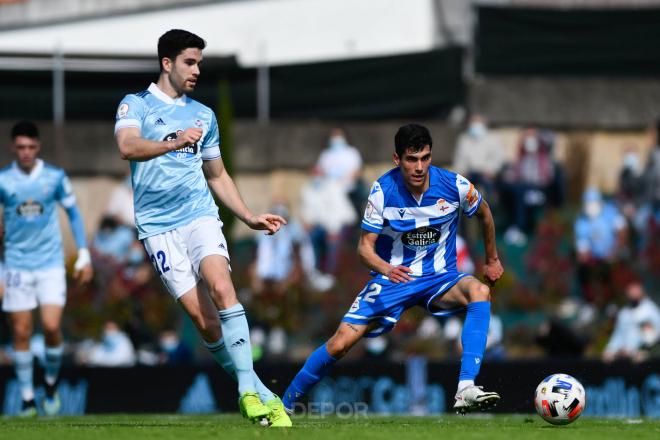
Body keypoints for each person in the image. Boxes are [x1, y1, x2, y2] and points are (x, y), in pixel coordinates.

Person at [113, 29, 290, 427]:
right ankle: (264, 394)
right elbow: (128, 147)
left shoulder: (204, 115)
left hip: (199, 216)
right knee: (205, 322)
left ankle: (246, 391)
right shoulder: (135, 105)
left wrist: (248, 216)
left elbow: (217, 175)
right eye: (189, 63)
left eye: (199, 64)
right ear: (167, 63)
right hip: (157, 229)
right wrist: (173, 143)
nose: (196, 71)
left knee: (222, 287)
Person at [282, 124, 504, 415]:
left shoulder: (455, 186)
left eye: (425, 158)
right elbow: (364, 249)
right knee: (340, 344)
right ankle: (283, 405)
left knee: (479, 290)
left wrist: (492, 259)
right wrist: (386, 269)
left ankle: (465, 388)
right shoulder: (382, 191)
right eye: (412, 159)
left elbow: (485, 214)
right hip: (393, 280)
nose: (420, 167)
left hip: (440, 278)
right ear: (397, 159)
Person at [0, 120, 93, 416]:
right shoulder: (3, 180)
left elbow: (74, 214)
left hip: (50, 263)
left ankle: (51, 384)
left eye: (31, 147)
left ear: (38, 147)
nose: (26, 152)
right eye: (21, 147)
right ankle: (28, 398)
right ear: (13, 148)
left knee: (52, 327)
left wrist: (83, 254)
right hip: (16, 265)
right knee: (21, 332)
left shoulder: (54, 177)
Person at [602, 282, 660, 362]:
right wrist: (610, 349)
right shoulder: (624, 313)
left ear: (642, 292)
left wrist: (646, 350)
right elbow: (618, 334)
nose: (633, 294)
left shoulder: (650, 310)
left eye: (635, 291)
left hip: (645, 355)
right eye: (631, 292)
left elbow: (656, 333)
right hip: (623, 355)